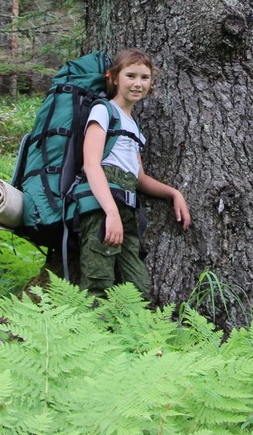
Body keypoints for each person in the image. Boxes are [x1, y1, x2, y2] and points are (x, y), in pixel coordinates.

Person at [78, 48, 190, 299]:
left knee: (137, 289)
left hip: (127, 209)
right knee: (99, 283)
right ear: (114, 77)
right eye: (131, 76)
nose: (138, 84)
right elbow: (91, 164)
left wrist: (174, 193)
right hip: (101, 207)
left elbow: (139, 179)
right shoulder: (103, 110)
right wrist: (110, 212)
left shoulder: (134, 127)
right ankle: (90, 336)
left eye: (145, 77)